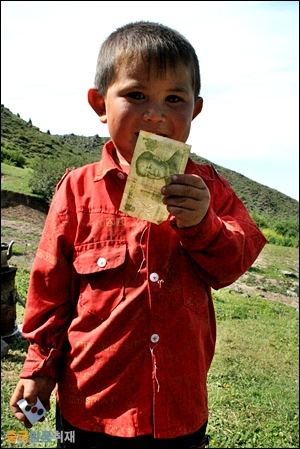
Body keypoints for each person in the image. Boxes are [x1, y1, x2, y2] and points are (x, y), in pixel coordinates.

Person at [10, 21, 267, 448]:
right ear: (99, 104)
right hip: (91, 408)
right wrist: (38, 368)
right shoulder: (77, 190)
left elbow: (232, 264)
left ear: (194, 110)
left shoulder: (209, 189)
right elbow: (50, 289)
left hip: (179, 413)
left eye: (174, 99)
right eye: (136, 95)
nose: (155, 114)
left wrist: (202, 223)